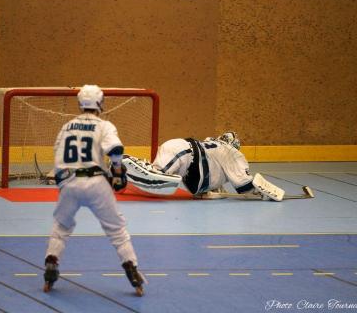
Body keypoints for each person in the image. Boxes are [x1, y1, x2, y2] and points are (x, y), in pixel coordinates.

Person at [43, 85, 145, 296]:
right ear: (100, 103)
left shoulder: (67, 126)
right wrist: (117, 171)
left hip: (69, 182)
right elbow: (116, 150)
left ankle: (51, 265)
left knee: (61, 227)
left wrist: (64, 185)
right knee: (117, 231)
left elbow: (57, 156)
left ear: (80, 103)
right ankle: (133, 272)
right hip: (96, 182)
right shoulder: (104, 125)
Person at [123, 132, 284, 200]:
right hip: (189, 155)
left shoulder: (214, 146)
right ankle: (134, 168)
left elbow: (212, 178)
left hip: (184, 150)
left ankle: (127, 173)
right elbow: (244, 185)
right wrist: (261, 192)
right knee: (155, 178)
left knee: (157, 174)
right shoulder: (232, 153)